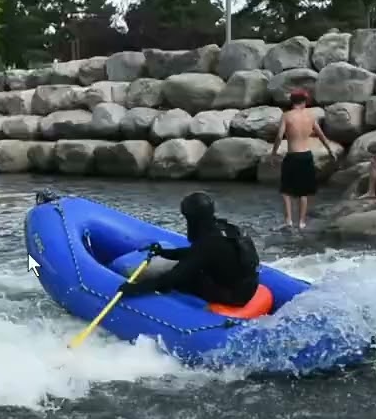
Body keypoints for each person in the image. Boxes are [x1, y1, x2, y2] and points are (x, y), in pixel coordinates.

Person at [118, 192, 261, 307]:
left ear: (193, 219)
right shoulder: (226, 229)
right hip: (248, 287)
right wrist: (164, 253)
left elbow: (172, 278)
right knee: (192, 269)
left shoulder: (208, 243)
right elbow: (198, 255)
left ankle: (177, 308)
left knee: (183, 280)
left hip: (234, 297)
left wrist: (136, 288)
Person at [272, 89, 336, 230]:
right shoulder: (310, 116)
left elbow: (279, 136)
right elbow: (321, 135)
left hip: (292, 156)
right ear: (304, 101)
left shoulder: (287, 116)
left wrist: (274, 153)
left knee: (286, 191)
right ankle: (301, 222)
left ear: (292, 101)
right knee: (303, 192)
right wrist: (330, 150)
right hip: (306, 156)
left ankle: (289, 220)